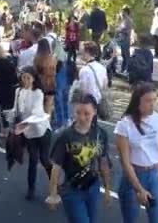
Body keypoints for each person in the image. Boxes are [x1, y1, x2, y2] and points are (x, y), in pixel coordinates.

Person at [47, 92, 111, 223]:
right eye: (78, 113)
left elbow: (103, 162)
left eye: (86, 113)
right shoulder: (66, 136)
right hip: (72, 190)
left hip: (93, 188)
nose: (81, 117)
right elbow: (56, 167)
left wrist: (107, 188)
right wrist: (53, 193)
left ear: (94, 112)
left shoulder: (101, 134)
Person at [115, 83, 158, 223]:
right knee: (130, 219)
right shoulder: (125, 125)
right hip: (133, 177)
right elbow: (125, 162)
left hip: (154, 175)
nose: (152, 104)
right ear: (137, 102)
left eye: (154, 100)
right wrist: (139, 189)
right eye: (148, 100)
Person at [7, 66, 52, 200]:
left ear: (33, 79)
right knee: (33, 160)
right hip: (28, 133)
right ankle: (31, 189)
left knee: (44, 160)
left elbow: (36, 113)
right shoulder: (18, 91)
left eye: (28, 78)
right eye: (24, 77)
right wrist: (10, 116)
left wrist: (22, 125)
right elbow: (16, 109)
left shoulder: (38, 92)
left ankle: (54, 182)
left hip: (42, 130)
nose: (26, 80)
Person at [0, 44, 18, 136]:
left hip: (3, 88)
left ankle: (6, 131)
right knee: (11, 108)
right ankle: (14, 129)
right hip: (13, 87)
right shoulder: (8, 60)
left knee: (4, 110)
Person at [79, 41, 108, 111]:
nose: (81, 53)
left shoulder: (84, 70)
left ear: (87, 52)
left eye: (82, 51)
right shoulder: (102, 68)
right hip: (98, 102)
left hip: (88, 103)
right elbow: (105, 85)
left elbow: (83, 90)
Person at [34, 39, 57, 117]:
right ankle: (48, 125)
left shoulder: (37, 59)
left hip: (40, 83)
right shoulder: (53, 58)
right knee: (49, 106)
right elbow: (54, 71)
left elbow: (36, 72)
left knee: (40, 105)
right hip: (51, 83)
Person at [117, 6, 134, 73]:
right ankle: (123, 68)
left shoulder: (128, 20)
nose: (121, 13)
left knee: (126, 55)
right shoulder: (123, 20)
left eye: (122, 12)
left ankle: (127, 68)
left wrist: (120, 30)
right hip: (122, 39)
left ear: (126, 12)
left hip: (125, 39)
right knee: (123, 55)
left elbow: (127, 30)